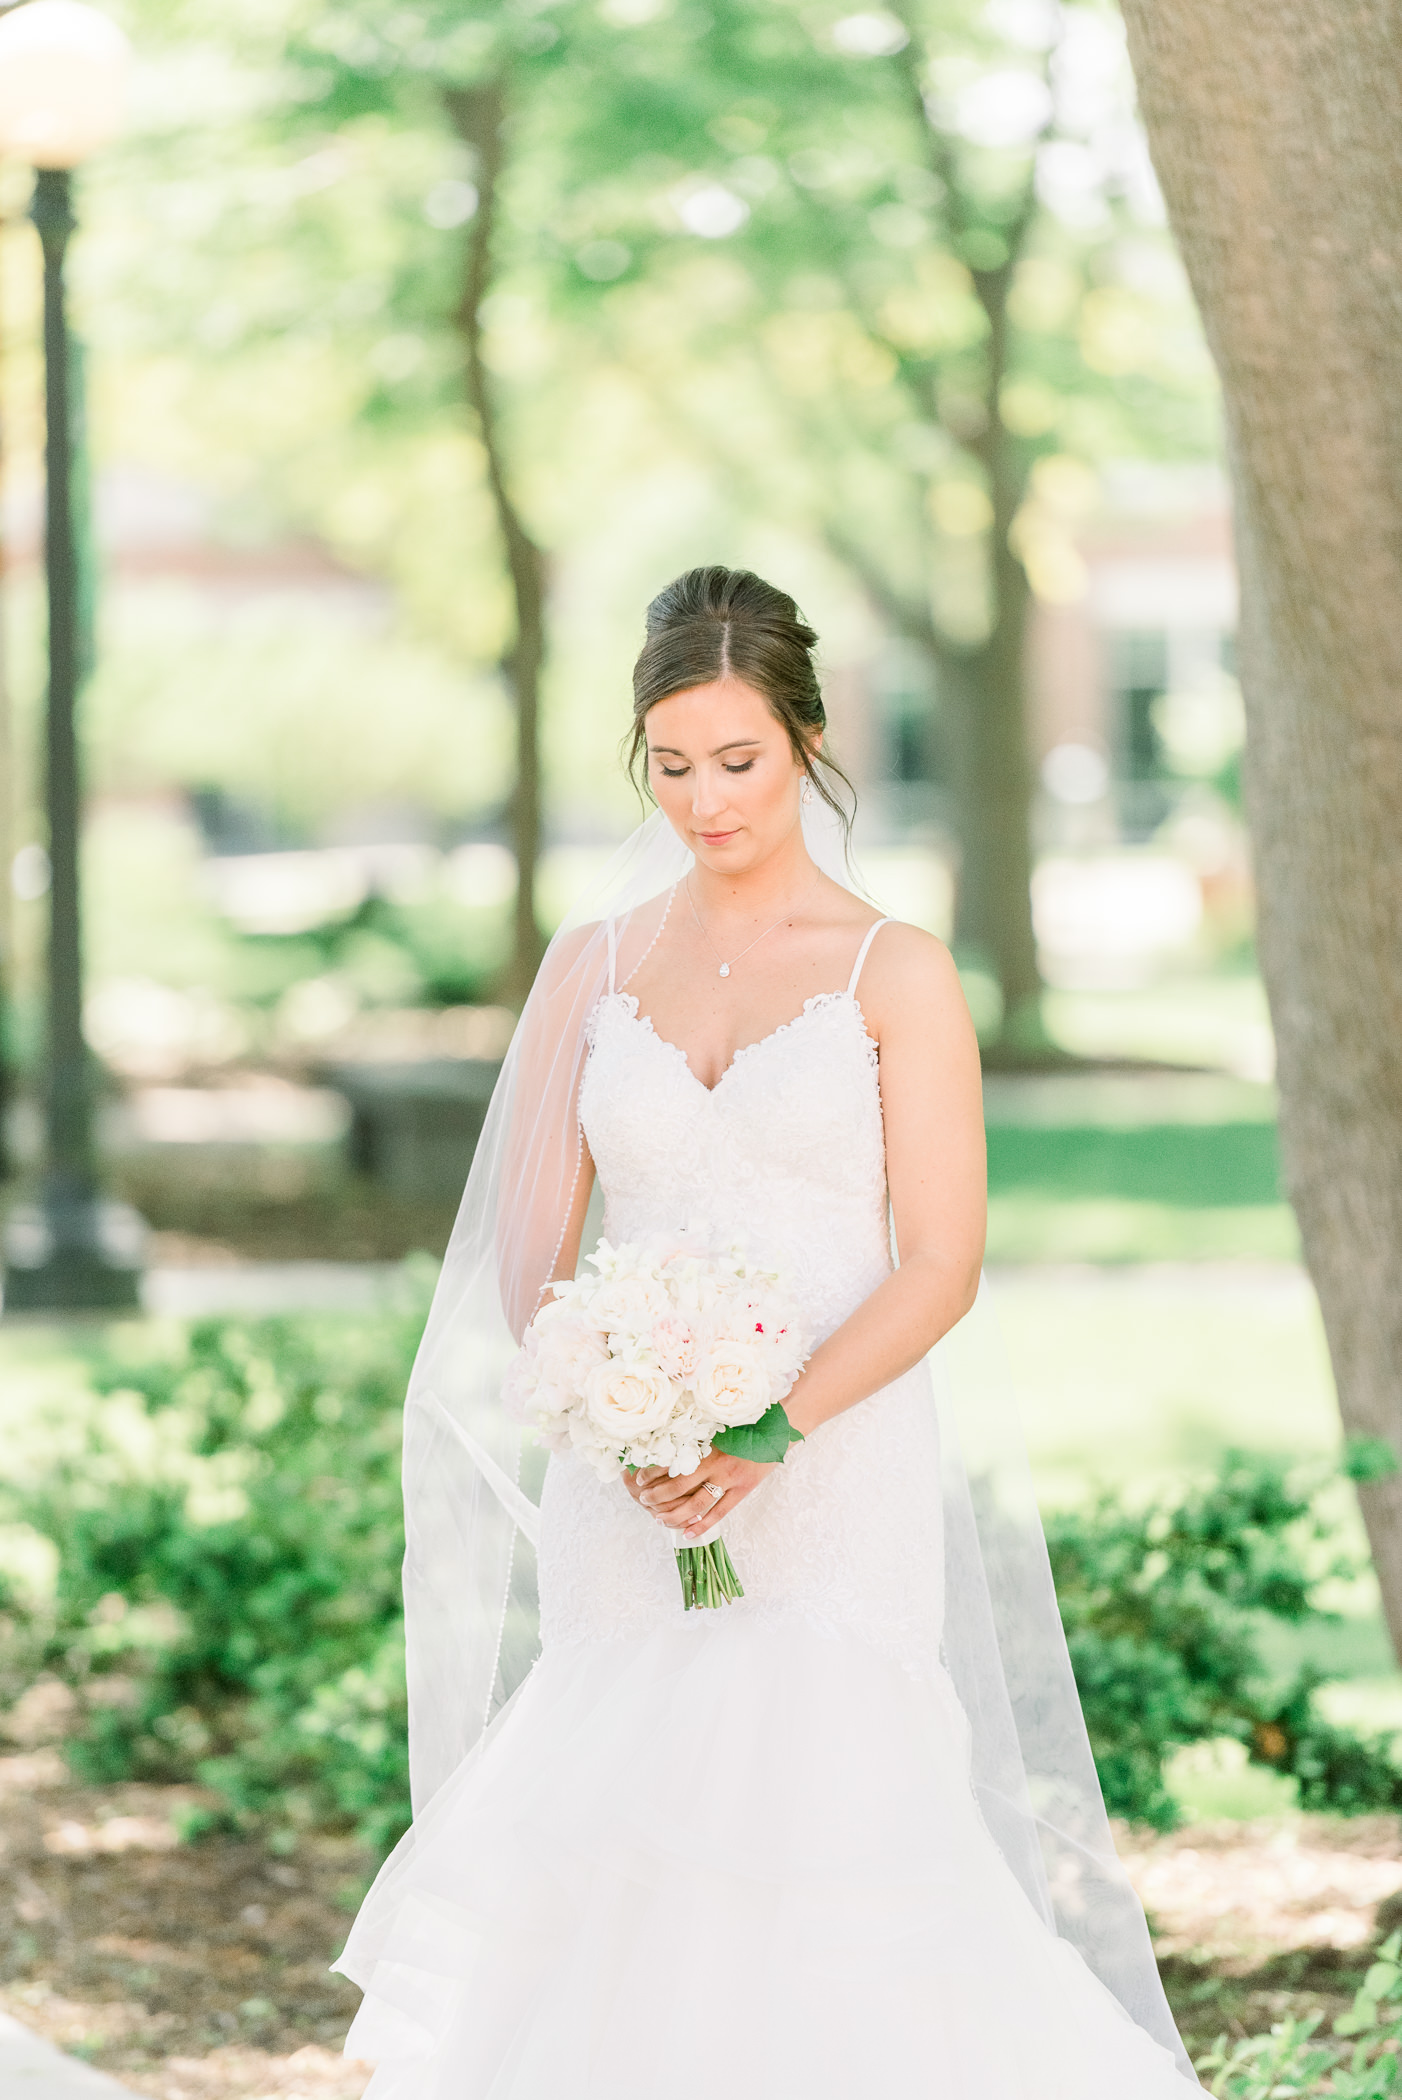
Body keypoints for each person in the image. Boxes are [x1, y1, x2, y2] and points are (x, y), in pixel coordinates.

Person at [333, 567, 1202, 2095]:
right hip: (627, 1491)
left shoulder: (894, 972)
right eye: (670, 764)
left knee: (828, 1829)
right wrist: (626, 1416)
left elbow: (939, 1261)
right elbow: (528, 1254)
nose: (702, 799)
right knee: (623, 1828)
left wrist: (764, 1430)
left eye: (735, 759)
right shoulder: (588, 969)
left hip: (833, 1475)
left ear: (802, 739)